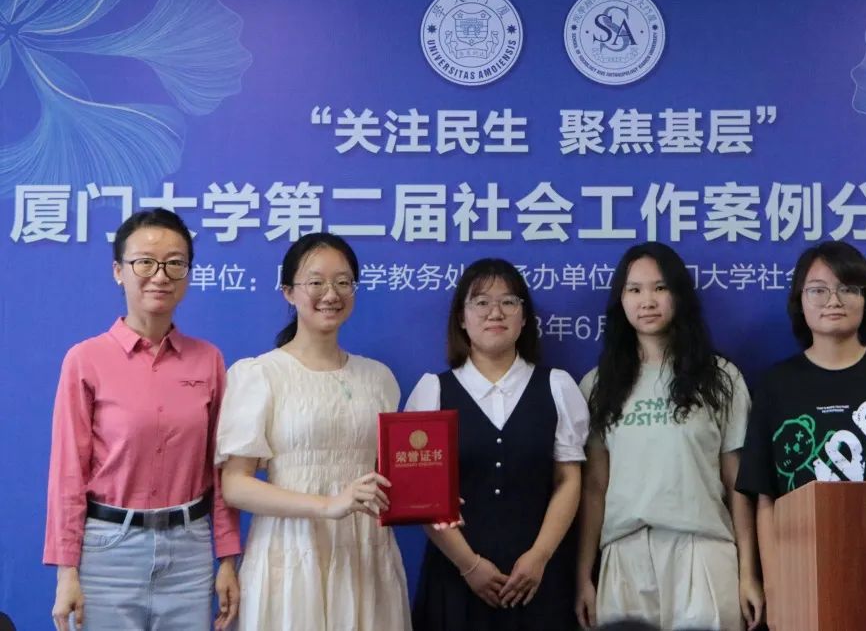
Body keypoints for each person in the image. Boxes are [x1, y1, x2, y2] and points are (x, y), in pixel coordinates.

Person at [44, 208, 241, 631]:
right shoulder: (86, 359)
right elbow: (68, 474)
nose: (160, 275)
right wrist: (66, 571)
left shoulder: (208, 360)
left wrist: (227, 558)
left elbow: (220, 468)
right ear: (119, 271)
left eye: (175, 263)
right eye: (144, 262)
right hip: (108, 551)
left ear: (187, 274)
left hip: (189, 553)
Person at [216, 232, 410, 630]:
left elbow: (390, 474)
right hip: (292, 549)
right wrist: (327, 504)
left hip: (365, 551)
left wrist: (431, 498)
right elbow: (235, 485)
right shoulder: (260, 374)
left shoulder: (379, 378)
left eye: (343, 282)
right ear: (288, 292)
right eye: (316, 282)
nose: (331, 294)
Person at [735, 240, 866, 603]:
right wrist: (774, 585)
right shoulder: (777, 384)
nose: (834, 300)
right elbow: (765, 497)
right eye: (818, 290)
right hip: (802, 568)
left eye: (848, 288)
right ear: (800, 301)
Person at [577, 242, 763, 631]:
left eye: (660, 288)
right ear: (621, 300)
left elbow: (737, 482)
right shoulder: (598, 385)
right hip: (625, 552)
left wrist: (748, 573)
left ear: (679, 295)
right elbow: (594, 487)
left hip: (703, 549)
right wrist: (583, 576)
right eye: (634, 289)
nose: (647, 301)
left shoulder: (720, 378)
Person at [405, 258, 588, 631]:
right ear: (462, 318)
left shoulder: (557, 386)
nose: (495, 312)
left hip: (539, 580)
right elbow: (421, 496)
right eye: (481, 302)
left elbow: (568, 479)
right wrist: (469, 565)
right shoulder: (432, 391)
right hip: (455, 579)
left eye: (508, 302)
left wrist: (540, 556)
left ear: (524, 317)